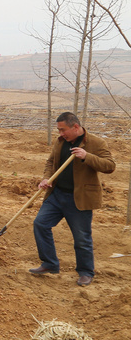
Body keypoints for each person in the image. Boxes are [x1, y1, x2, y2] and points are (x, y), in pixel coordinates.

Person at [30, 112, 115, 287]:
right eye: (59, 130)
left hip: (79, 199)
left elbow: (110, 166)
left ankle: (85, 272)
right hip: (56, 195)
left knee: (82, 238)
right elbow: (50, 163)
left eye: (63, 130)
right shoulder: (60, 142)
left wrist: (86, 156)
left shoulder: (96, 143)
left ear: (76, 127)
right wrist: (47, 178)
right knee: (40, 224)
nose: (60, 133)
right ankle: (49, 264)